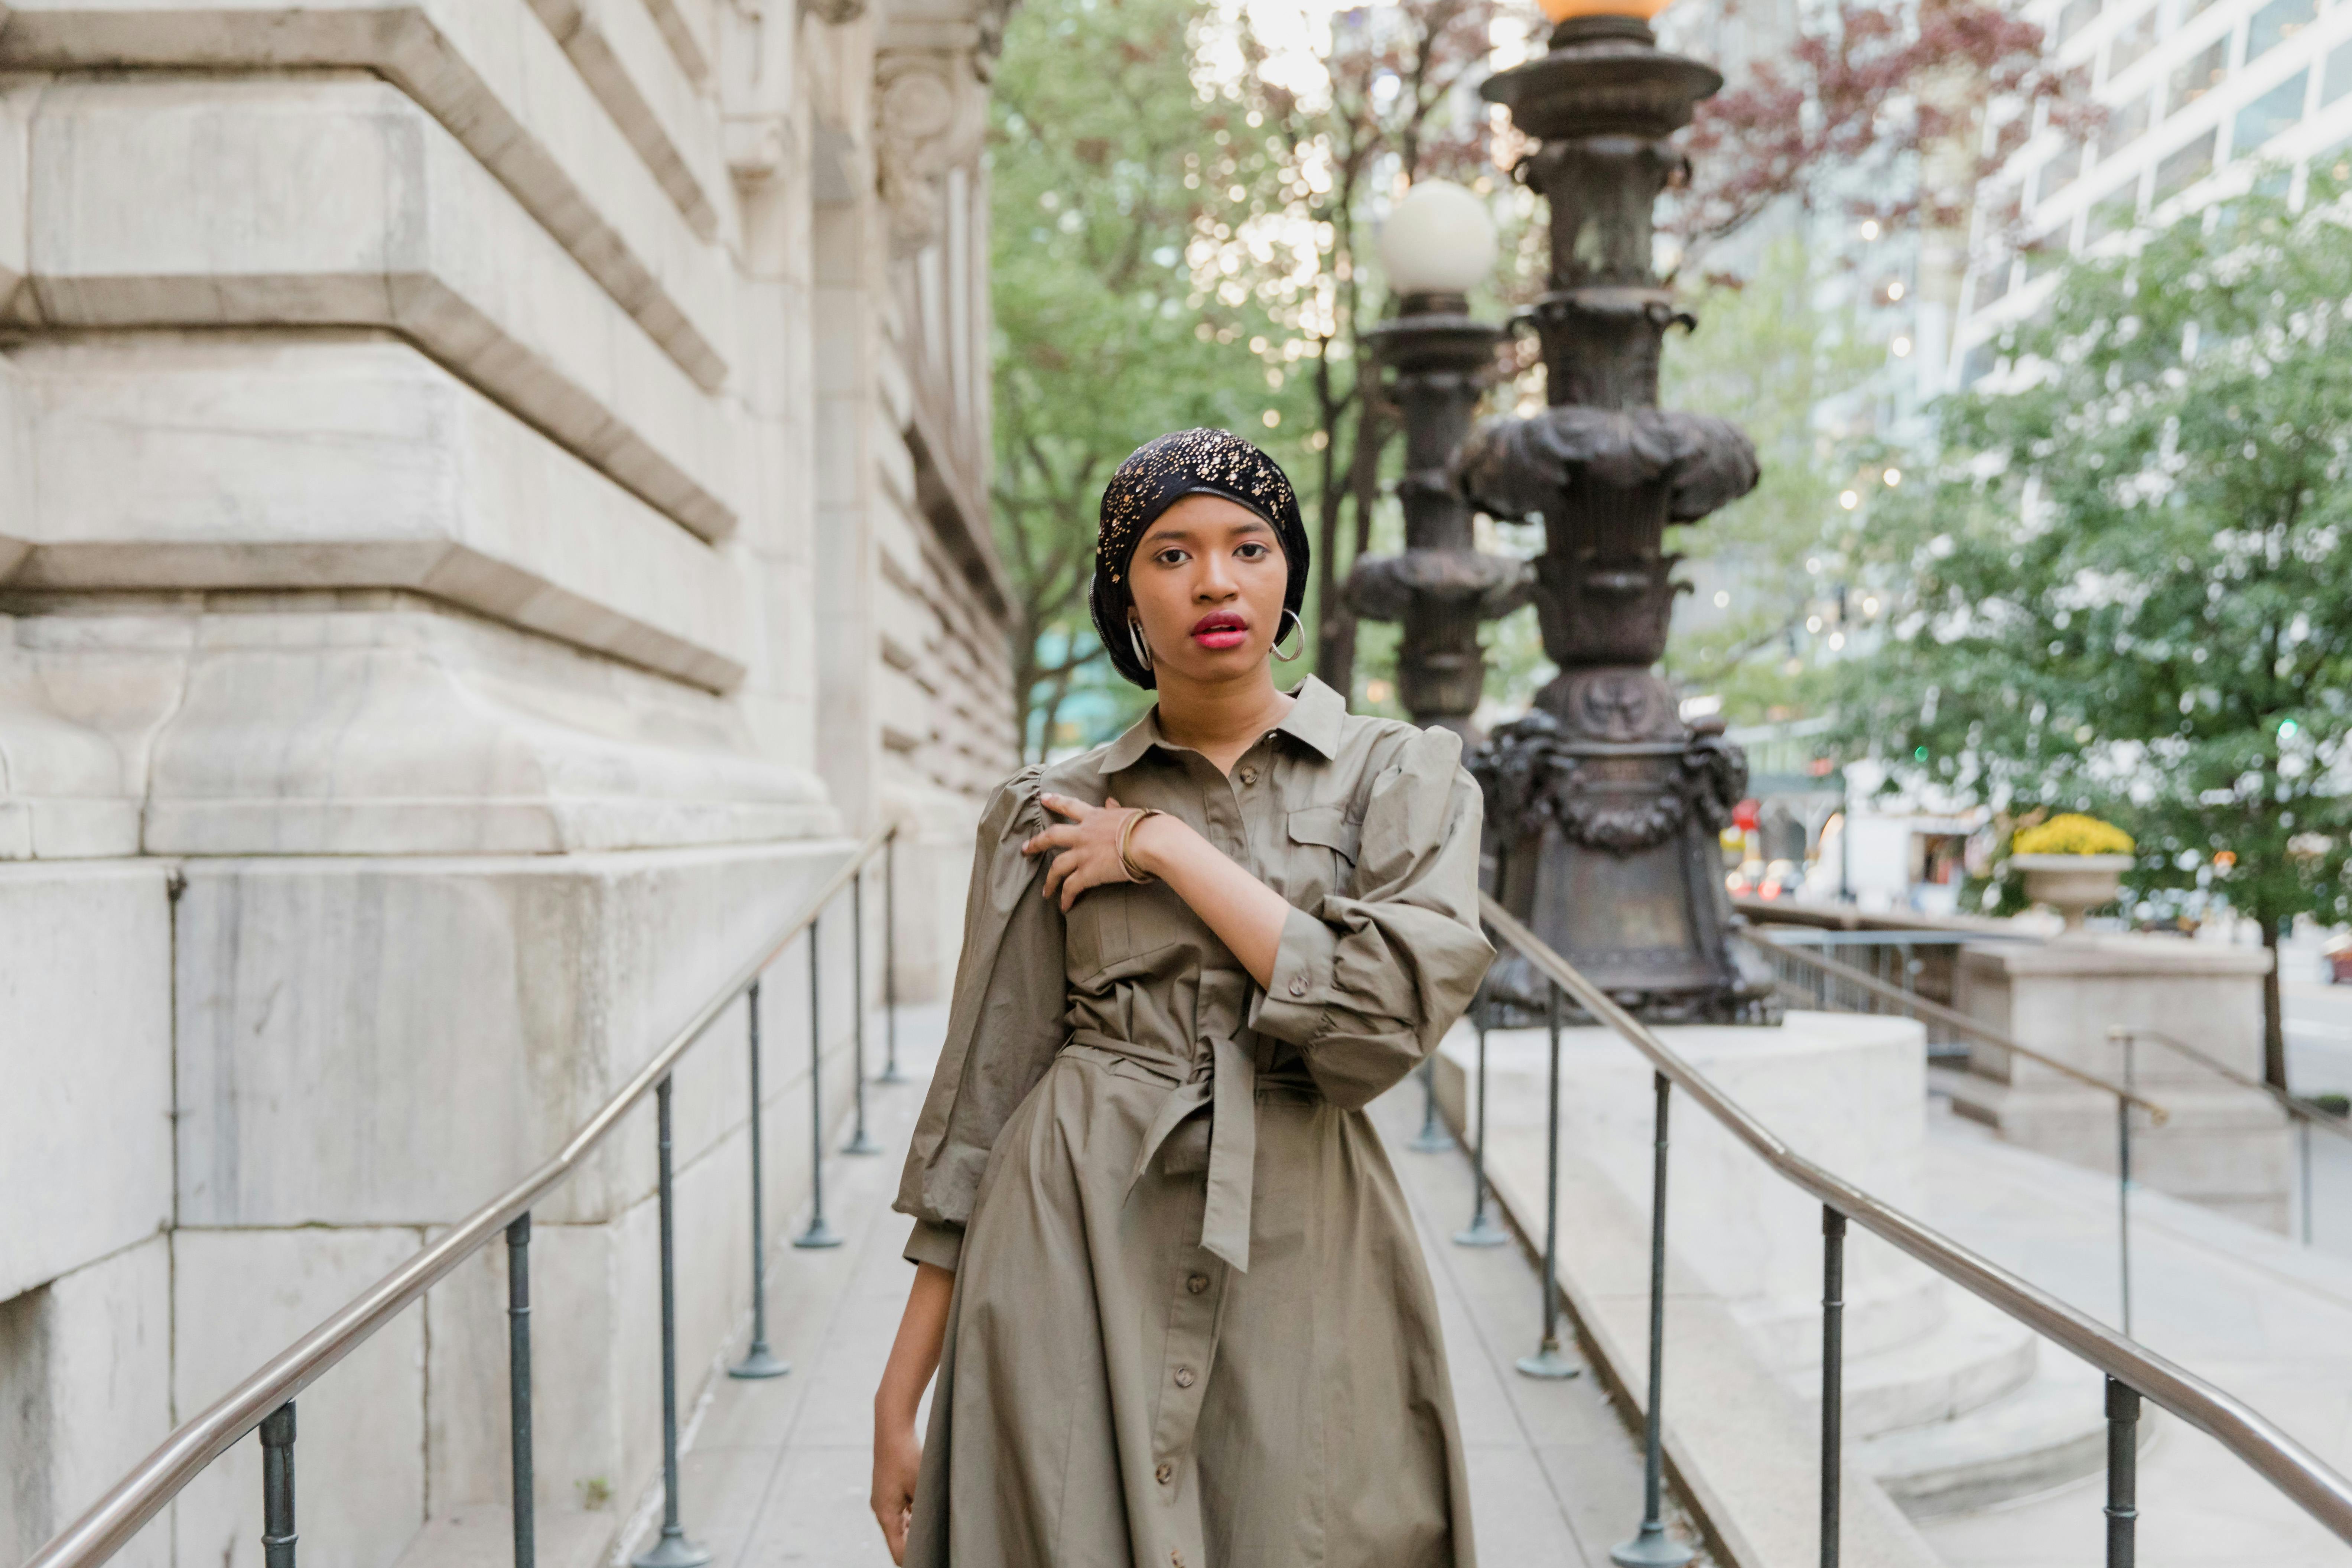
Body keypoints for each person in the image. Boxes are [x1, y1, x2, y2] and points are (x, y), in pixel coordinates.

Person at [869, 428, 1493, 1568]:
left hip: (1312, 1250)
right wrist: (897, 1397)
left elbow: (1380, 1024)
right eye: (1171, 554)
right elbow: (983, 1099)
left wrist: (1161, 849)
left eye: (1250, 546)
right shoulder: (1043, 811)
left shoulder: (1402, 776)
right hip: (1067, 1250)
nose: (1216, 580)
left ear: (1288, 573)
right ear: (1125, 601)